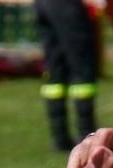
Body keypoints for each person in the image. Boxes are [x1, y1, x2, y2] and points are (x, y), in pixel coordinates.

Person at [35, 0, 99, 152]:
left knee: (55, 69)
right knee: (83, 68)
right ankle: (87, 134)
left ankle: (60, 138)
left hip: (44, 5)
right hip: (68, 5)